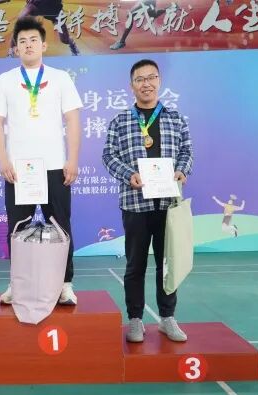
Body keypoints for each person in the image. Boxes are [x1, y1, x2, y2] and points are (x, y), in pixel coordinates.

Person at [0, 16, 83, 305]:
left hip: (54, 166)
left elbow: (73, 120)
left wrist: (72, 159)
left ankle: (65, 283)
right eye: (22, 41)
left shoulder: (61, 78)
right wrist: (3, 159)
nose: (28, 45)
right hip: (18, 169)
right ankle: (18, 283)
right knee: (18, 228)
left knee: (61, 225)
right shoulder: (5, 80)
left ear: (44, 45)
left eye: (33, 40)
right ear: (16, 48)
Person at [102, 59, 192, 342]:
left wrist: (182, 170)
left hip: (168, 205)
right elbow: (108, 156)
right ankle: (135, 319)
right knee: (135, 265)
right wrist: (128, 174)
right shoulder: (120, 121)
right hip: (135, 204)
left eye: (151, 78)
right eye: (140, 79)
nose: (146, 84)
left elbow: (187, 152)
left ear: (159, 81)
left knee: (167, 263)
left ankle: (167, 318)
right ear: (132, 86)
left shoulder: (175, 118)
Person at [7, 0, 80, 57]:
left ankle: (71, 44)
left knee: (64, 40)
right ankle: (11, 51)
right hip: (36, 5)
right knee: (20, 21)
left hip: (54, 9)